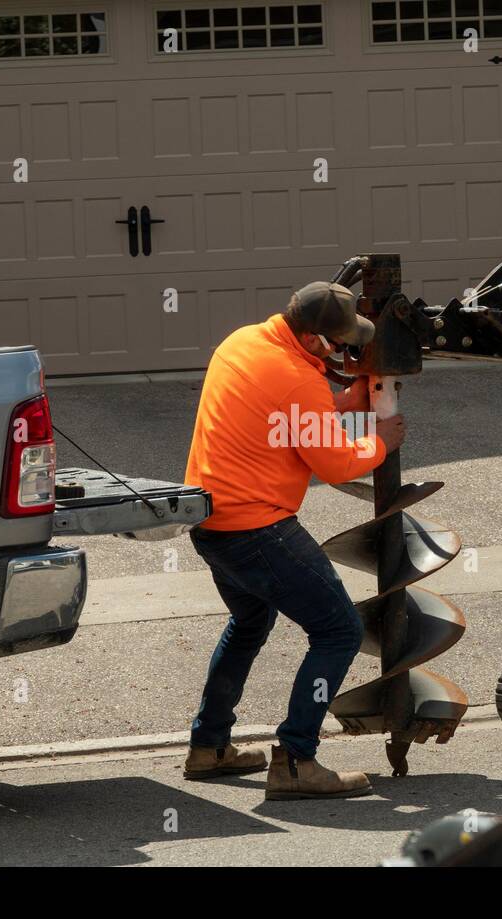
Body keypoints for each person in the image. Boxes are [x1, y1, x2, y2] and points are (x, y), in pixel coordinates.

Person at [182, 281, 406, 800]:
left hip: (211, 523)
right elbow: (335, 462)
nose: (345, 351)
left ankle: (209, 747)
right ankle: (296, 760)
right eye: (338, 342)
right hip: (256, 529)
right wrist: (380, 441)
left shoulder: (242, 343)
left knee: (249, 621)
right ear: (309, 339)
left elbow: (283, 414)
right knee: (339, 631)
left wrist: (343, 400)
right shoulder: (297, 381)